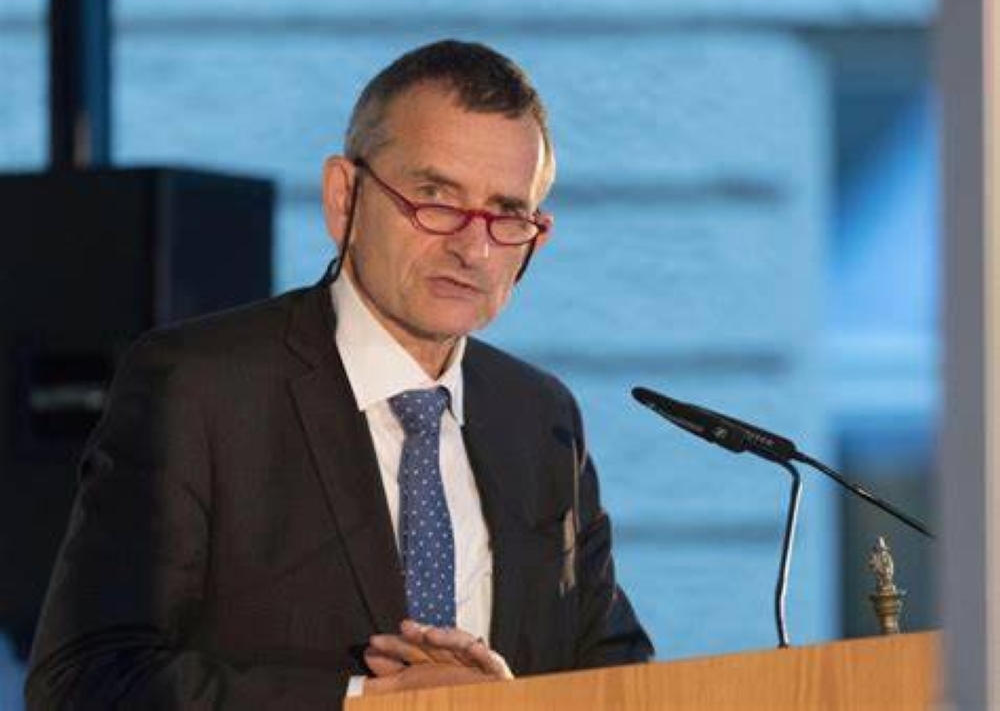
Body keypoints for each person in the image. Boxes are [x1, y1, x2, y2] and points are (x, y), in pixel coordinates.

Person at [25, 40, 652, 708]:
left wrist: (507, 702)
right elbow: (84, 682)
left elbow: (619, 679)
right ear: (343, 197)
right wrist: (361, 701)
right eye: (434, 197)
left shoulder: (540, 417)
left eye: (505, 213)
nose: (472, 247)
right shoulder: (199, 388)